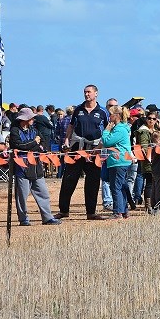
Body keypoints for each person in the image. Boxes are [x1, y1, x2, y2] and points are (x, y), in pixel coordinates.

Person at [57, 84, 108, 220]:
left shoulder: (103, 111)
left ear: (96, 93)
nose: (86, 94)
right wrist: (66, 140)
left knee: (93, 181)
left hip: (94, 149)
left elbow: (108, 128)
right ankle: (63, 210)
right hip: (77, 148)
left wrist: (102, 145)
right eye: (85, 92)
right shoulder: (78, 109)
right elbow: (71, 126)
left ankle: (91, 212)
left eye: (89, 92)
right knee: (69, 178)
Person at [9, 108, 62, 227]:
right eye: (31, 117)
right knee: (21, 196)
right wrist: (34, 143)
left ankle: (47, 218)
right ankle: (23, 219)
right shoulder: (15, 131)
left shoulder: (35, 130)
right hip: (22, 168)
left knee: (43, 193)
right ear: (25, 119)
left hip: (37, 167)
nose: (33, 119)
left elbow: (43, 144)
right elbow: (18, 146)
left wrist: (35, 145)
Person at [102, 105, 133, 219]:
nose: (109, 116)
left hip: (118, 161)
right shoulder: (122, 128)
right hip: (120, 161)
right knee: (120, 186)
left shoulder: (119, 129)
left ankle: (117, 212)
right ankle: (124, 211)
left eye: (110, 114)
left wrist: (106, 131)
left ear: (117, 116)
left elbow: (107, 142)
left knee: (116, 187)